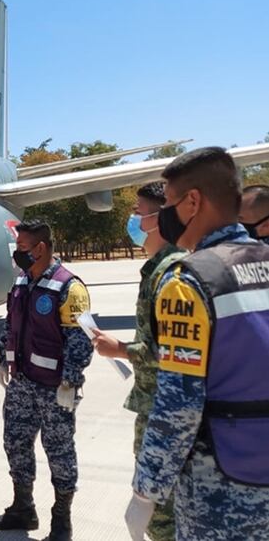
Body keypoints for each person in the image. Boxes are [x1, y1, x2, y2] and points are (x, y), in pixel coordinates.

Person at [126, 147, 269, 540]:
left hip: (221, 492)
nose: (165, 217)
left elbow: (179, 405)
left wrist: (146, 491)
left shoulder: (188, 281)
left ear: (192, 201)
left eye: (169, 204)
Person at [89, 183, 184, 541]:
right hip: (156, 403)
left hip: (165, 409)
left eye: (137, 211)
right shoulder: (158, 269)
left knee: (163, 519)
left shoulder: (172, 273)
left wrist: (121, 350)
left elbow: (177, 351)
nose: (132, 219)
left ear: (158, 218)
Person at [0, 221, 92, 541]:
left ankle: (61, 521)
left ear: (41, 248)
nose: (17, 254)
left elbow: (82, 341)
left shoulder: (69, 288)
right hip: (21, 383)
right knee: (15, 443)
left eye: (21, 248)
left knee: (59, 452)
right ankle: (23, 508)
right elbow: (11, 323)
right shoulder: (22, 281)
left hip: (55, 387)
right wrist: (2, 356)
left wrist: (70, 382)